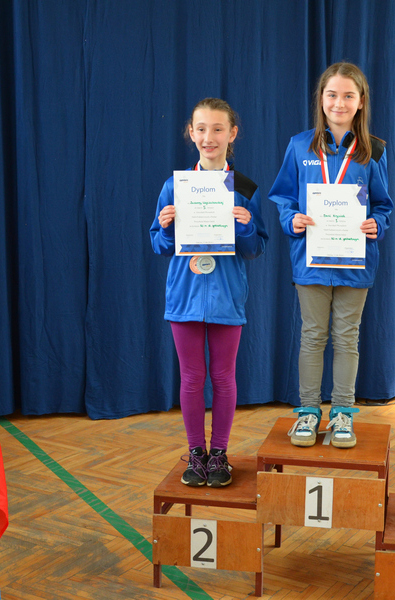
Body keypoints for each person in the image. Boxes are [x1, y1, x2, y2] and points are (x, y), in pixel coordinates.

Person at [269, 62, 393, 449]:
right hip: (311, 260)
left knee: (347, 338)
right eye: (332, 94)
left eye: (348, 96)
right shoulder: (299, 145)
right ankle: (308, 412)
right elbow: (283, 197)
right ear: (321, 99)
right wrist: (291, 219)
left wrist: (377, 224)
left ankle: (342, 414)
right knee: (312, 335)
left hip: (356, 262)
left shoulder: (374, 150)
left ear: (361, 102)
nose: (339, 103)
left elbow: (383, 205)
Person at [150, 98, 268, 487]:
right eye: (201, 129)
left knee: (223, 376)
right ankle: (196, 453)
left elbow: (255, 248)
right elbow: (159, 245)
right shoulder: (175, 186)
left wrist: (246, 226)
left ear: (232, 134)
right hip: (184, 297)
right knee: (190, 377)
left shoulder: (244, 188)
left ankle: (219, 453)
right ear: (191, 133)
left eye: (218, 129)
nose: (209, 137)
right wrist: (166, 228)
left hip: (227, 297)